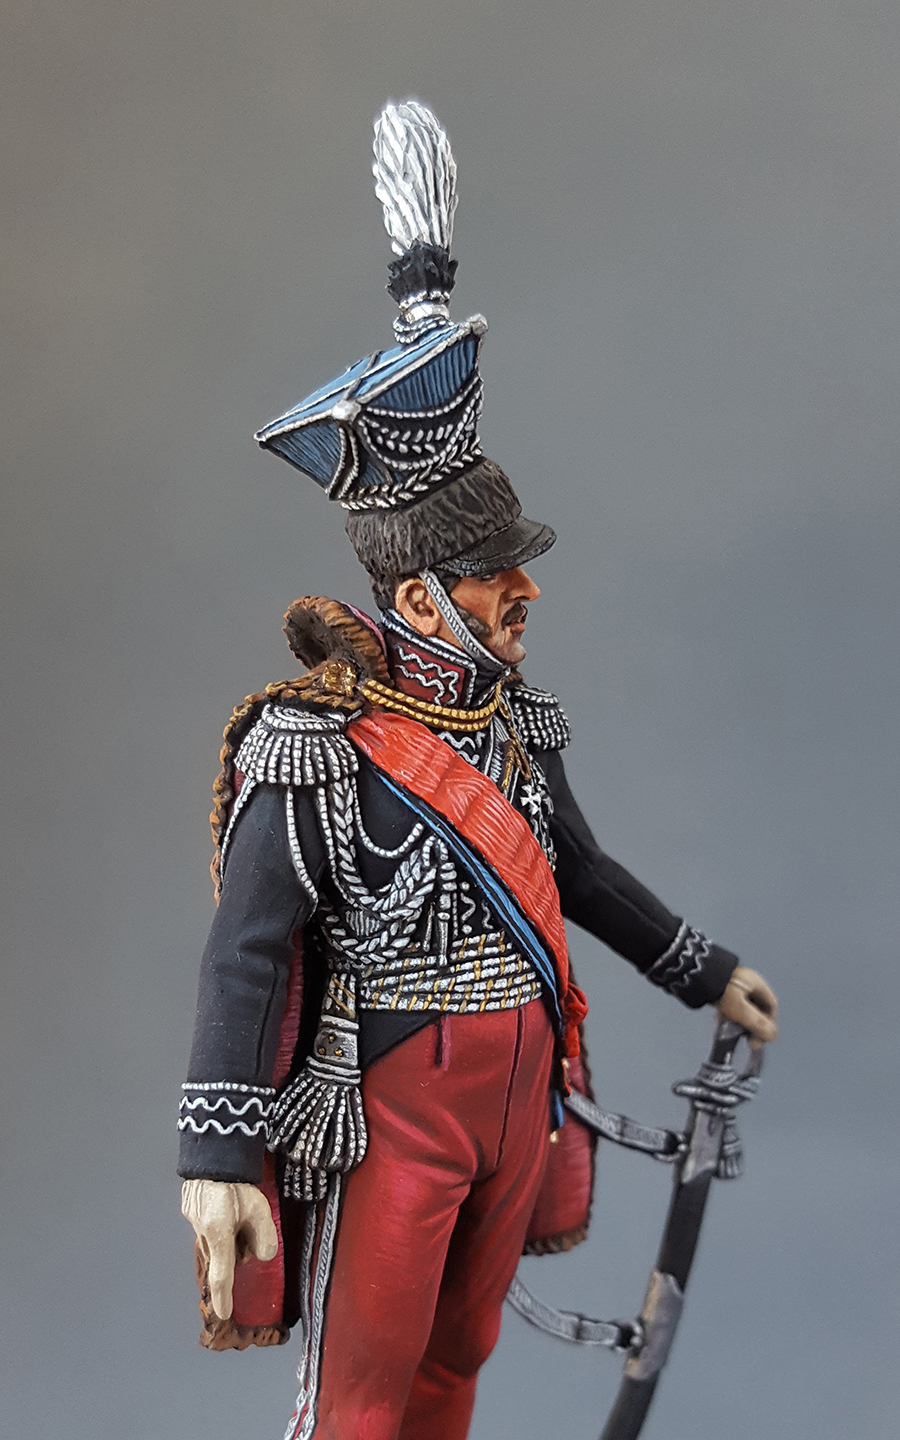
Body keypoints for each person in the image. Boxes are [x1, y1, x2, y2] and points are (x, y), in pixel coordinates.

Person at [178, 101, 777, 1440]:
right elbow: (249, 956)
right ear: (420, 598)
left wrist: (702, 969)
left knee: (460, 1369)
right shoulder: (312, 746)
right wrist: (216, 1151)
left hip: (522, 1089)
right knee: (364, 1393)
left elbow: (580, 871)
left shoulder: (515, 727)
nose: (527, 593)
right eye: (497, 574)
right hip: (395, 1096)